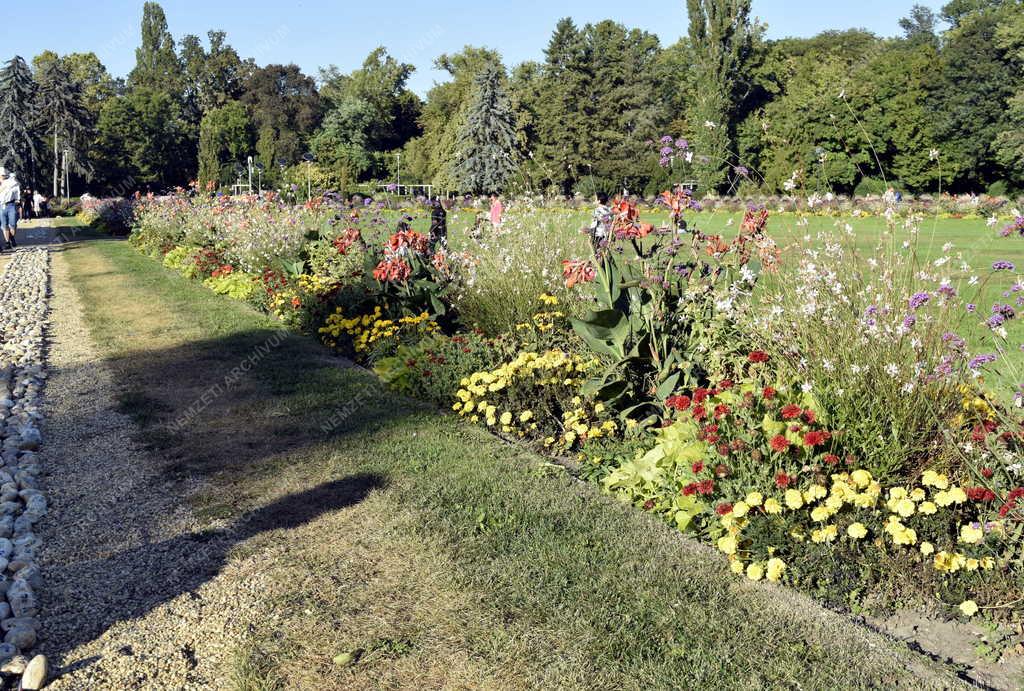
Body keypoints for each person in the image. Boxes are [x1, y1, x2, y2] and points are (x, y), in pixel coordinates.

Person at [0, 169, 21, 251]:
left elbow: (17, 187)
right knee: (4, 225)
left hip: (11, 204)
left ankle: (11, 237)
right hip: (1, 205)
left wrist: (18, 201)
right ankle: (7, 242)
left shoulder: (11, 182)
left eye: (2, 175)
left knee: (13, 224)